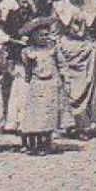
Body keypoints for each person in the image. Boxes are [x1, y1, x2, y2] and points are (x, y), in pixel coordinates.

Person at [52, 0, 96, 137]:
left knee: (88, 86)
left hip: (86, 50)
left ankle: (83, 125)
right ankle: (67, 124)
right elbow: (54, 29)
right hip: (66, 49)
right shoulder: (60, 6)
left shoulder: (93, 5)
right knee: (67, 87)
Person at [11, 15, 64, 154]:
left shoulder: (53, 48)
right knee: (36, 115)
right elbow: (28, 69)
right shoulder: (28, 51)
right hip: (37, 84)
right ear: (34, 36)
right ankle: (36, 143)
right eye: (41, 35)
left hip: (51, 83)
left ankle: (47, 143)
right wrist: (29, 80)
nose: (44, 38)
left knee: (49, 114)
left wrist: (63, 79)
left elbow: (62, 64)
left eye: (47, 35)